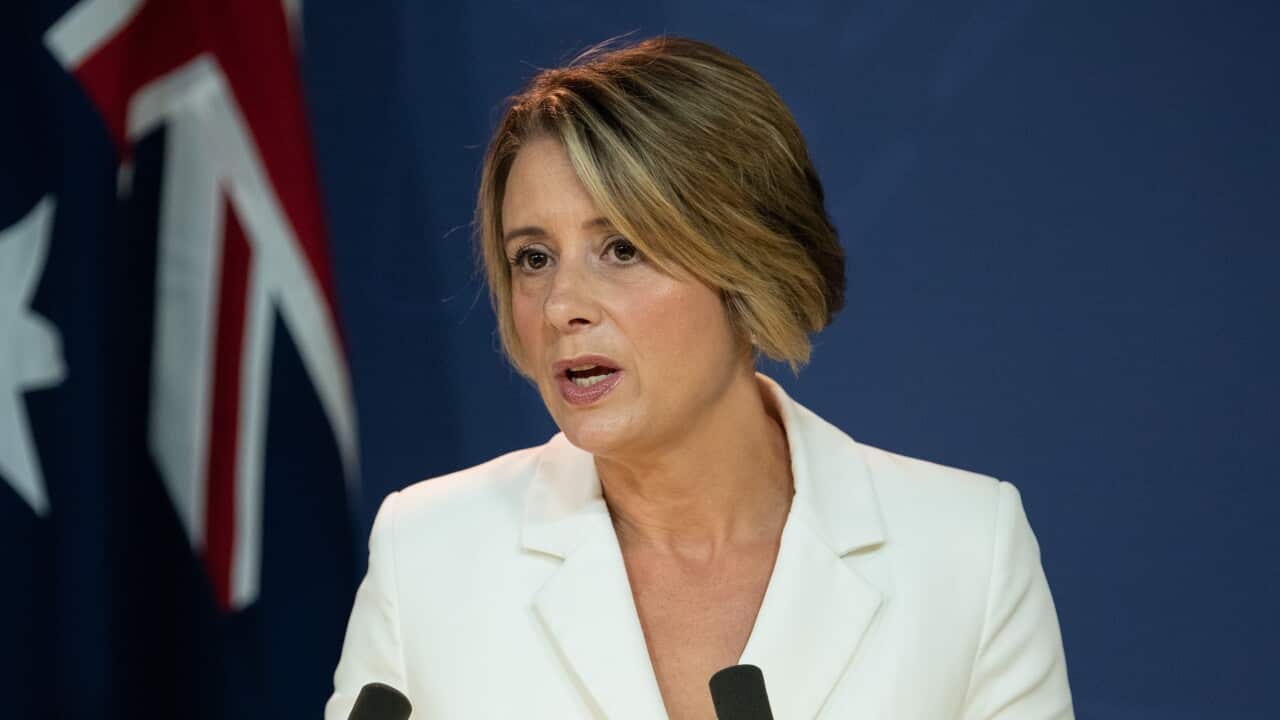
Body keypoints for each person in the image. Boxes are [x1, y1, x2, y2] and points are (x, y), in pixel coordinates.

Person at [326, 36, 1072, 719]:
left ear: (746, 268)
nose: (560, 307)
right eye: (533, 257)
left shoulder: (965, 549)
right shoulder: (426, 553)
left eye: (620, 249)